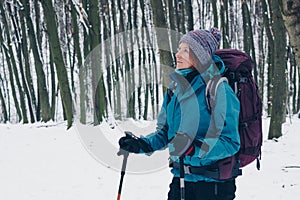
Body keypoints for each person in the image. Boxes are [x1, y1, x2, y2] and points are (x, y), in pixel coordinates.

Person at [118, 28, 240, 200]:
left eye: (185, 50)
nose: (177, 54)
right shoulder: (175, 89)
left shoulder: (218, 89)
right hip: (180, 180)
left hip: (212, 186)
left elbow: (230, 142)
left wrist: (194, 148)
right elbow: (164, 134)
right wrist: (141, 145)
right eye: (178, 49)